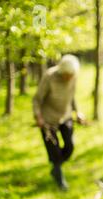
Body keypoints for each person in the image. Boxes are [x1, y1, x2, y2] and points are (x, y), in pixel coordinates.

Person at [33, 54, 85, 190]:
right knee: (54, 150)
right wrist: (38, 116)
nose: (70, 78)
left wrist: (77, 112)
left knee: (70, 146)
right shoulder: (49, 76)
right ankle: (60, 179)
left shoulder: (73, 77)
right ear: (62, 71)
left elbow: (72, 96)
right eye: (67, 75)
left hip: (66, 116)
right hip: (48, 119)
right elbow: (37, 99)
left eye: (72, 75)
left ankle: (56, 168)